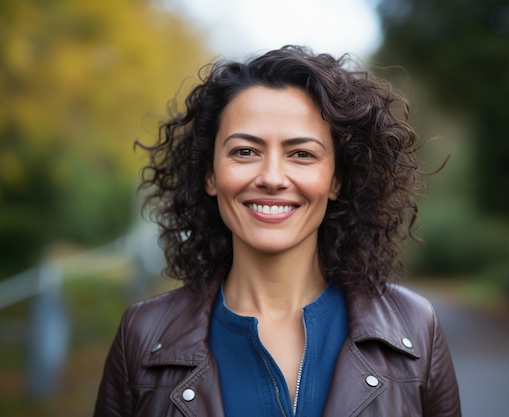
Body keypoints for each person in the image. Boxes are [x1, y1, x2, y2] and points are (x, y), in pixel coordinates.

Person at [94, 45, 461, 417]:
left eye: (302, 154)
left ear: (336, 179)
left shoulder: (416, 328)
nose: (271, 178)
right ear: (210, 174)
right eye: (244, 152)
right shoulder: (141, 335)